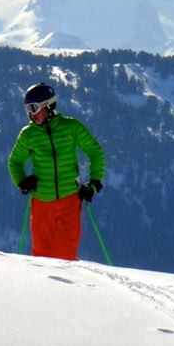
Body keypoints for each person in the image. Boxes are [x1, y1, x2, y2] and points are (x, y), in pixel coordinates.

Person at [8, 82, 106, 260]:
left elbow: (95, 151)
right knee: (40, 257)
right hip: (41, 202)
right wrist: (22, 181)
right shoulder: (28, 134)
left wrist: (94, 183)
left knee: (65, 255)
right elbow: (15, 162)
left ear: (48, 106)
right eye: (27, 109)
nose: (30, 114)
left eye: (34, 108)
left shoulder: (71, 127)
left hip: (69, 200)